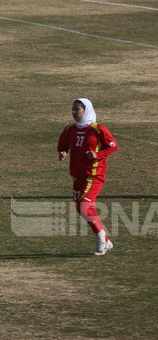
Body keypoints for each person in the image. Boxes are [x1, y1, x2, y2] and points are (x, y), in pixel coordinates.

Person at [57, 98, 118, 255]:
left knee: (84, 205)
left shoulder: (98, 129)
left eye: (77, 109)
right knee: (80, 207)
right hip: (77, 174)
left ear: (86, 110)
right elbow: (63, 143)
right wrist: (62, 151)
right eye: (73, 109)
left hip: (94, 174)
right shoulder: (70, 129)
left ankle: (100, 236)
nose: (74, 112)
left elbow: (113, 146)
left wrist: (97, 154)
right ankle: (106, 240)